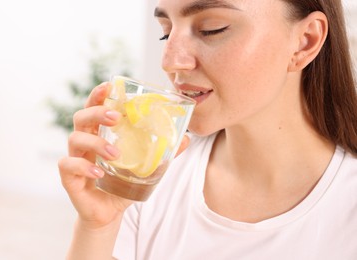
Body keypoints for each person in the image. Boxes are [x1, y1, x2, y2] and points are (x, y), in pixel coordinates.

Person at [58, 0, 357, 259]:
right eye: (166, 33)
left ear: (305, 40)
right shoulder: (150, 178)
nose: (171, 61)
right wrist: (98, 226)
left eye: (212, 29)